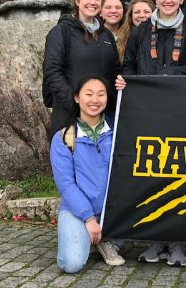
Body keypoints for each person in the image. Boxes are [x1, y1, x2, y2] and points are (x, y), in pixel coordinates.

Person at [116, 0, 186, 267]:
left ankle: (177, 242)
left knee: (179, 176)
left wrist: (167, 78)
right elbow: (128, 65)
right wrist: (129, 83)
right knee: (152, 176)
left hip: (181, 115)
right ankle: (154, 241)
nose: (168, 0)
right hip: (147, 114)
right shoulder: (142, 31)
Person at [50, 76, 124, 273]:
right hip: (79, 210)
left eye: (101, 94)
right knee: (72, 264)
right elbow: (66, 185)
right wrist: (89, 219)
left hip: (112, 210)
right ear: (76, 98)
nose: (95, 100)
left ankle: (105, 241)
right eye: (88, 94)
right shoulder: (64, 138)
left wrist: (128, 90)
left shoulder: (118, 131)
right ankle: (84, 236)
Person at [43, 0, 117, 137]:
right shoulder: (61, 32)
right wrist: (75, 103)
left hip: (103, 115)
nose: (93, 2)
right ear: (77, 1)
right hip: (70, 115)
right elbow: (52, 70)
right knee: (70, 158)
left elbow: (115, 70)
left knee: (101, 160)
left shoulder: (106, 35)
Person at [116, 0, 154, 67]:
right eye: (137, 12)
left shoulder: (160, 36)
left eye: (146, 12)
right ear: (131, 16)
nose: (142, 15)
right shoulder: (120, 38)